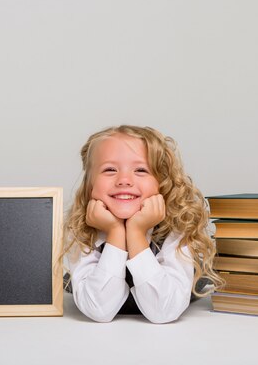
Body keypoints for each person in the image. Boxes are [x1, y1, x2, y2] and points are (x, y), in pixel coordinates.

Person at [63, 125, 222, 323]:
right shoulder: (81, 230)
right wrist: (115, 233)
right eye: (110, 169)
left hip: (172, 296)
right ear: (89, 184)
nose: (124, 180)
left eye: (140, 170)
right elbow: (98, 309)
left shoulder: (176, 228)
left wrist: (136, 234)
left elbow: (163, 312)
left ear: (162, 182)